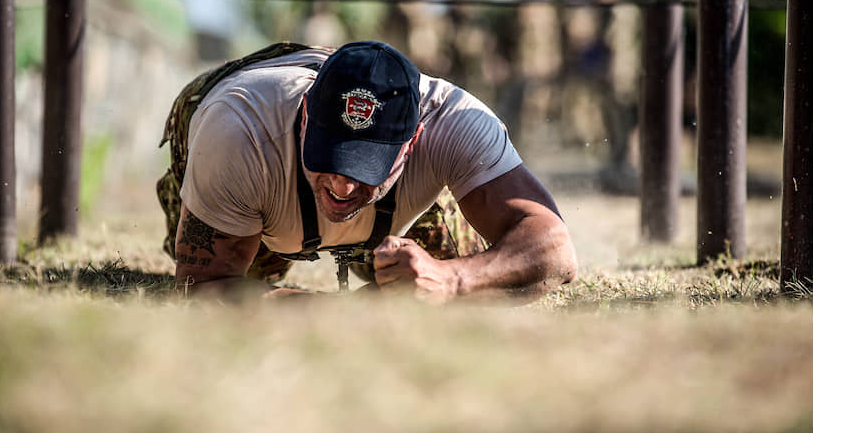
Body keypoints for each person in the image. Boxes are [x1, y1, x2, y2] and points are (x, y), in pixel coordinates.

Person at [156, 40, 577, 305]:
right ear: (305, 118)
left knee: (449, 287)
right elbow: (203, 289)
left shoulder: (453, 122)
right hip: (234, 127)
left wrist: (452, 279)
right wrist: (344, 315)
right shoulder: (239, 130)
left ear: (413, 142)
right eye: (331, 155)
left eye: (365, 165)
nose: (343, 184)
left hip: (391, 203)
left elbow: (554, 250)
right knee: (245, 283)